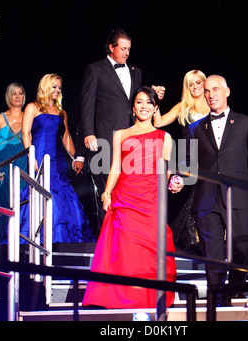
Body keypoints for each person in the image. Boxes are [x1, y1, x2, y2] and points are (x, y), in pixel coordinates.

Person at [175, 75, 248, 305]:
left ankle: (236, 288)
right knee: (213, 254)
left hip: (238, 195)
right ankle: (218, 297)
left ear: (227, 91)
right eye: (207, 91)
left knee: (244, 247)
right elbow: (186, 161)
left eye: (215, 89)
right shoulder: (195, 128)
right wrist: (177, 177)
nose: (210, 95)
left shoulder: (246, 122)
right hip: (206, 198)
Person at [82, 86, 177, 309]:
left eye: (149, 103)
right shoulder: (121, 134)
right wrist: (107, 194)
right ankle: (124, 295)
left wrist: (164, 194)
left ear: (155, 108)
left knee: (150, 247)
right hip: (125, 196)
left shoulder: (165, 137)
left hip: (151, 198)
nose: (144, 106)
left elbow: (168, 171)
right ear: (133, 107)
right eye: (139, 102)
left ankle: (149, 294)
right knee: (125, 248)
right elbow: (115, 167)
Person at [77, 28, 165, 235]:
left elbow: (137, 101)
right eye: (122, 48)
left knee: (130, 187)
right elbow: (87, 104)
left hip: (133, 138)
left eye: (129, 49)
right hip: (105, 138)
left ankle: (128, 234)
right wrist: (89, 133)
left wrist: (153, 93)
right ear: (111, 47)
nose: (126, 53)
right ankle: (106, 237)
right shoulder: (95, 69)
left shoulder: (136, 70)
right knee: (107, 187)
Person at [21, 74, 94, 243]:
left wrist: (76, 158)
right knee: (41, 193)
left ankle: (60, 240)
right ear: (45, 87)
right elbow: (26, 133)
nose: (57, 90)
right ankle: (39, 238)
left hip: (58, 161)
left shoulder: (62, 113)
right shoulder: (33, 107)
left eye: (59, 87)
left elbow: (66, 136)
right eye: (54, 86)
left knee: (61, 196)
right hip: (39, 156)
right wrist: (31, 157)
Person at [154, 70, 209, 253]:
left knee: (208, 202)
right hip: (189, 161)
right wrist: (156, 102)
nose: (195, 87)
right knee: (189, 203)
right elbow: (159, 122)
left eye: (197, 83)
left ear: (204, 83)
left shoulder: (213, 105)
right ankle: (191, 244)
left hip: (210, 162)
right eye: (190, 84)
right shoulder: (183, 106)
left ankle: (209, 243)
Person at [0, 82, 28, 244]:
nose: (17, 97)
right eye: (14, 93)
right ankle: (0, 250)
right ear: (9, 96)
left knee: (20, 206)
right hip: (1, 171)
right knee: (1, 208)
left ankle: (18, 248)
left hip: (21, 167)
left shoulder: (29, 118)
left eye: (20, 93)